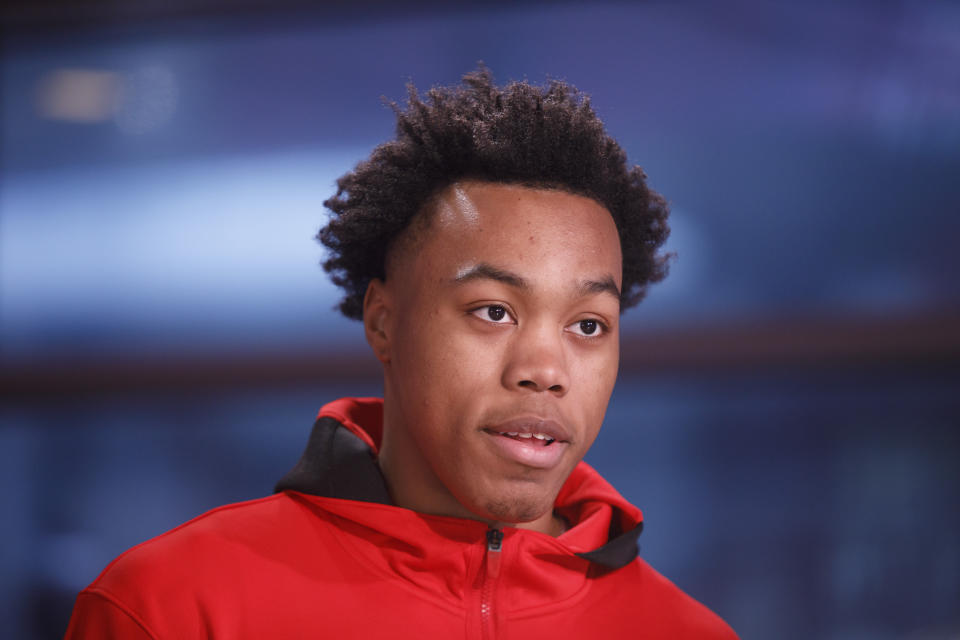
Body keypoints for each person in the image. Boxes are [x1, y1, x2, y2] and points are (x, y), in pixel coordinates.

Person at [64, 67, 738, 639]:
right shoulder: (170, 607)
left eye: (588, 325)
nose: (545, 370)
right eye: (493, 311)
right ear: (383, 321)